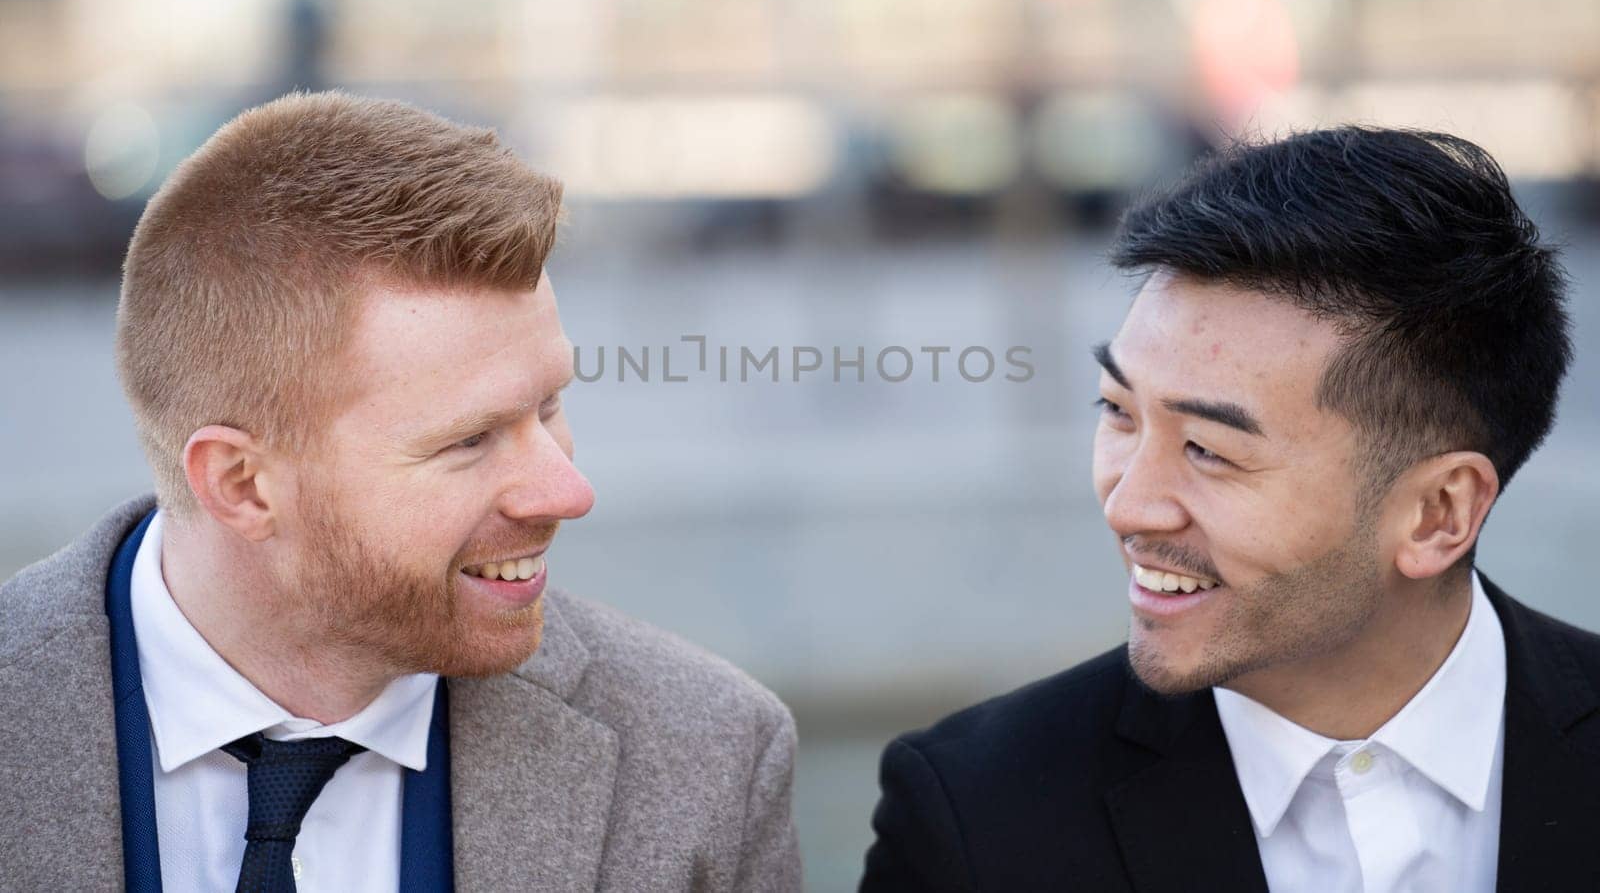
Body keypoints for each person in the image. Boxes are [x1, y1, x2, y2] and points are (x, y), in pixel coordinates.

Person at [0, 92, 801, 892]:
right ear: (242, 485)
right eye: (467, 440)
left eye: (548, 405)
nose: (567, 489)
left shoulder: (710, 760)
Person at [860, 127, 1600, 892]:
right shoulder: (975, 819)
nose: (1129, 505)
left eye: (1209, 450)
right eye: (1118, 410)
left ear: (1438, 513)